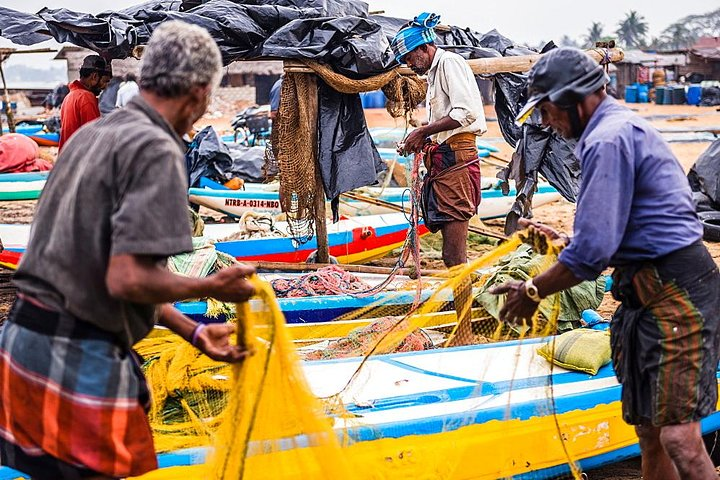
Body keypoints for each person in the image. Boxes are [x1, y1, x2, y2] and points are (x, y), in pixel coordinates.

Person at [0, 21, 256, 479]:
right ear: (198, 92)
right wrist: (209, 283)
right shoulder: (155, 147)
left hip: (23, 347)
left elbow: (100, 266)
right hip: (78, 356)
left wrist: (191, 331)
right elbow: (127, 278)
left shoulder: (92, 137)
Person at [492, 47, 720, 480]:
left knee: (680, 440)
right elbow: (620, 233)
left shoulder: (607, 138)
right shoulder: (613, 130)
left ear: (574, 99)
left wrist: (533, 290)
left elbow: (592, 256)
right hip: (648, 293)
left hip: (678, 295)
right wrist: (568, 241)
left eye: (547, 111)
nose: (548, 123)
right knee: (650, 432)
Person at [391, 12, 487, 344]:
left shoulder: (450, 64)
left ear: (425, 48)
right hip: (445, 163)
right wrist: (422, 140)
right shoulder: (434, 73)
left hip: (457, 164)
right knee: (450, 255)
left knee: (455, 256)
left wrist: (424, 130)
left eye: (409, 57)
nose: (409, 64)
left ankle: (465, 331)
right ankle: (462, 326)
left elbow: (464, 114)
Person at [58, 55, 111, 150]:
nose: (105, 87)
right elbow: (94, 137)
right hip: (80, 161)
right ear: (94, 76)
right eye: (105, 81)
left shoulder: (70, 96)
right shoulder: (86, 97)